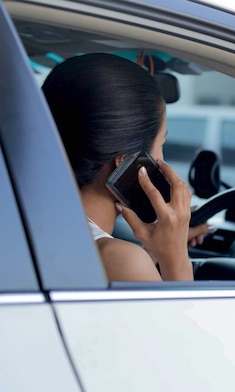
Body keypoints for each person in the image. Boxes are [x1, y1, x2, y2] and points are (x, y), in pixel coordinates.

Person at [42, 53, 212, 282]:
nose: (162, 160)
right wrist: (175, 257)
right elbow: (182, 318)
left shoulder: (38, 225)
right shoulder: (118, 258)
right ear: (125, 162)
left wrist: (156, 249)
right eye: (161, 144)